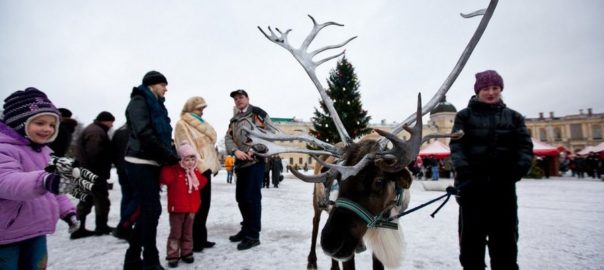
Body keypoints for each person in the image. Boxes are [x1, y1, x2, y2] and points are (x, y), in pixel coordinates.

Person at [450, 70, 533, 270]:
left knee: (505, 243)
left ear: (500, 90)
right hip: (472, 189)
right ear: (478, 91)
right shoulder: (464, 116)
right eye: (486, 88)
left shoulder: (514, 117)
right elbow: (457, 147)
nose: (491, 92)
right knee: (471, 244)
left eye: (495, 88)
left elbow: (525, 148)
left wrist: (515, 172)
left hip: (503, 190)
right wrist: (466, 173)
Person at [0, 88, 80, 269]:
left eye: (52, 125)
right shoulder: (4, 148)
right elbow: (5, 180)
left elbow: (54, 188)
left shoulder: (45, 151)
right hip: (6, 236)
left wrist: (67, 211)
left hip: (36, 231)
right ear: (19, 123)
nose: (47, 129)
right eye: (40, 123)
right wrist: (43, 180)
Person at [123, 71, 180, 270]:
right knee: (151, 210)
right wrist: (168, 155)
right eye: (163, 84)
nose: (166, 89)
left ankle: (132, 259)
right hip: (139, 161)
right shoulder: (139, 102)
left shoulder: (156, 105)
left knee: (149, 211)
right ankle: (150, 260)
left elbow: (160, 135)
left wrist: (170, 153)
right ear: (153, 85)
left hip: (151, 162)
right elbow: (145, 133)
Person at [225, 89, 274, 250]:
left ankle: (253, 235)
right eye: (236, 99)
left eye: (241, 97)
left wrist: (254, 150)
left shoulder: (258, 114)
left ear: (247, 98)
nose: (238, 100)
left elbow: (270, 133)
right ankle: (246, 229)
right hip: (240, 163)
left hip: (255, 162)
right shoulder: (234, 119)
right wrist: (235, 151)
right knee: (241, 198)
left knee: (252, 199)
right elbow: (228, 137)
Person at [173, 96, 221, 252]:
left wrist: (211, 165)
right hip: (194, 171)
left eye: (203, 109)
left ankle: (201, 238)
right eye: (199, 109)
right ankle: (192, 241)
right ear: (190, 108)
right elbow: (184, 147)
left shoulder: (202, 124)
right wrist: (199, 165)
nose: (202, 112)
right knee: (195, 207)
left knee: (204, 206)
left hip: (205, 170)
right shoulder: (182, 124)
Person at [160, 142, 207, 267]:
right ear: (180, 159)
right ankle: (173, 255)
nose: (190, 162)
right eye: (187, 159)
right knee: (175, 233)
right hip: (177, 208)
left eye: (193, 159)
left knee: (188, 232)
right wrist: (167, 166)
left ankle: (187, 252)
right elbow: (165, 179)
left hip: (191, 208)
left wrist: (197, 171)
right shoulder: (174, 170)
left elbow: (201, 183)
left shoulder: (194, 171)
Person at [71, 111, 115, 239]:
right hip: (94, 173)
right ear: (105, 120)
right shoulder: (96, 132)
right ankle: (101, 226)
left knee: (85, 199)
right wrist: (100, 172)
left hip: (86, 172)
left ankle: (79, 227)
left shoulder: (92, 129)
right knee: (101, 200)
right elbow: (95, 154)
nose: (112, 125)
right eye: (111, 122)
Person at [111, 124, 137, 240]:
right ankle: (124, 225)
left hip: (121, 169)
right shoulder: (138, 128)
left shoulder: (119, 131)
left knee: (126, 197)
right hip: (134, 168)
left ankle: (125, 226)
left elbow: (112, 151)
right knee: (137, 197)